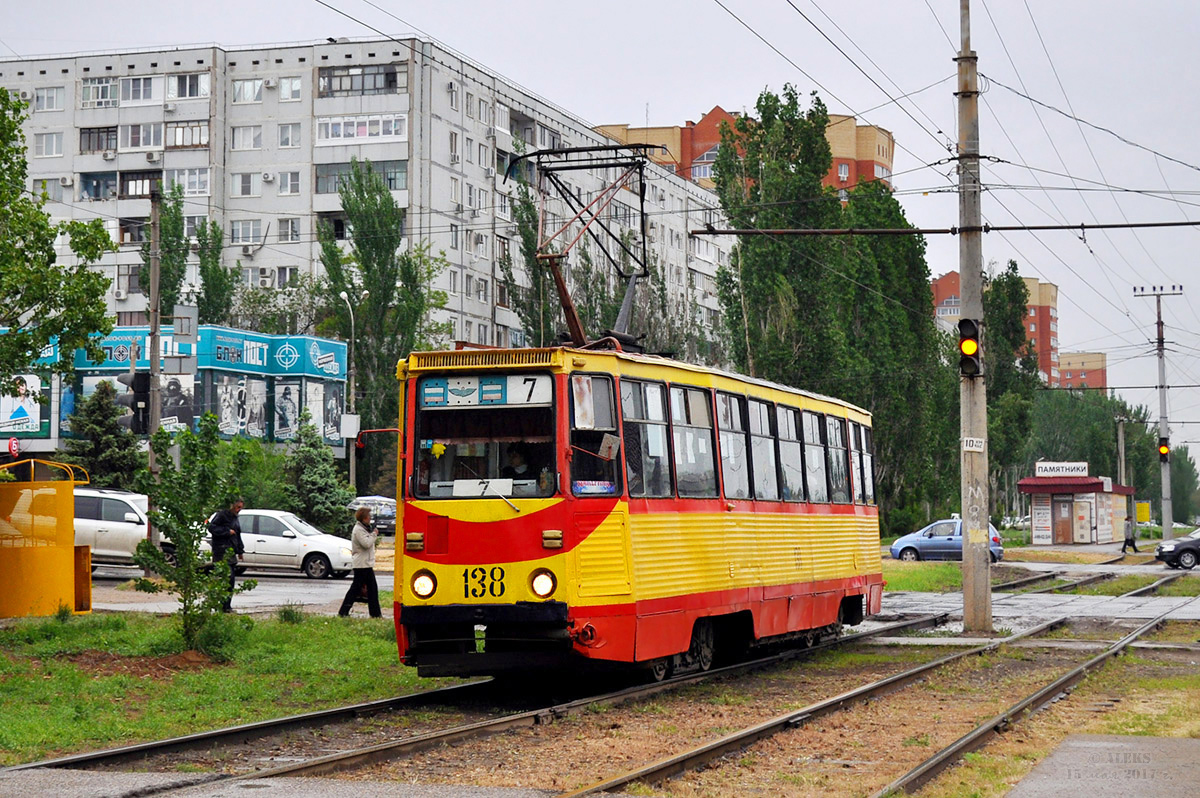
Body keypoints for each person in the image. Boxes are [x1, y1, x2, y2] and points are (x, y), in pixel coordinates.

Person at [339, 507, 382, 618]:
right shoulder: (358, 530)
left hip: (365, 564)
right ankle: (343, 611)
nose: (370, 518)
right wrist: (374, 534)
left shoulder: (364, 528)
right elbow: (366, 543)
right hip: (361, 564)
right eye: (369, 516)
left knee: (371, 589)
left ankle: (375, 614)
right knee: (357, 588)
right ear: (364, 517)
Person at [208, 498, 245, 612]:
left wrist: (240, 551)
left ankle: (226, 606)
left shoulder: (235, 518)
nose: (239, 510)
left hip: (231, 552)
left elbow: (237, 534)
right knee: (225, 578)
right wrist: (226, 531)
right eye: (238, 507)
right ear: (232, 506)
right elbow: (211, 528)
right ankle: (220, 605)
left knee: (231, 580)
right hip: (221, 551)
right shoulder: (222, 515)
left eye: (241, 507)